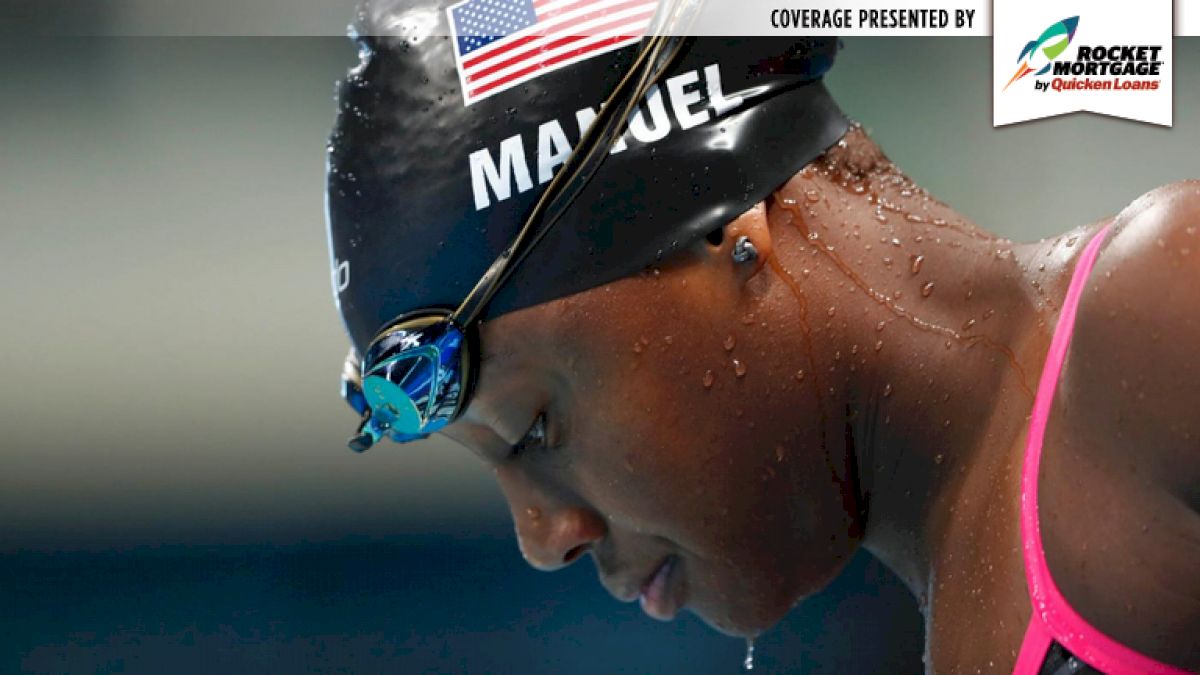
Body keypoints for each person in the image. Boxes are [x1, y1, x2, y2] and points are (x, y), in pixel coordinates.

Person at [325, 1, 1200, 672]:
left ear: (726, 234)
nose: (543, 535)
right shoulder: (980, 591)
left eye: (535, 428)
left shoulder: (1160, 319)